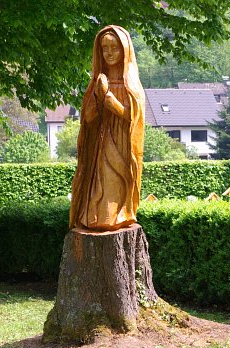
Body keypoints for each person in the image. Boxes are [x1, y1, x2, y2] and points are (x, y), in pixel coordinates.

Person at [69, 25, 145, 231]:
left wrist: (113, 103)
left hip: (122, 144)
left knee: (117, 180)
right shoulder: (97, 82)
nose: (109, 53)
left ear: (124, 50)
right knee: (99, 181)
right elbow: (88, 118)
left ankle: (118, 215)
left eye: (114, 48)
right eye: (105, 48)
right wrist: (98, 97)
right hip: (100, 143)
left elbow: (135, 119)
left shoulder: (132, 86)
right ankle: (95, 216)